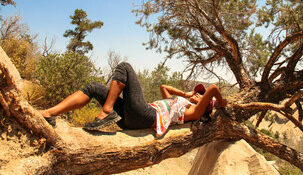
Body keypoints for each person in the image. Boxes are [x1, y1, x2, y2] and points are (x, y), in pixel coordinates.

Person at [39, 62, 227, 137]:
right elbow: (164, 87)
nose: (197, 93)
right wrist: (185, 95)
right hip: (132, 117)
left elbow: (213, 88)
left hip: (146, 115)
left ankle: (106, 112)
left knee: (125, 67)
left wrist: (221, 103)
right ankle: (50, 114)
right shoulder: (180, 103)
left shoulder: (194, 112)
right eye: (197, 92)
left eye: (200, 95)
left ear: (206, 103)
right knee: (94, 87)